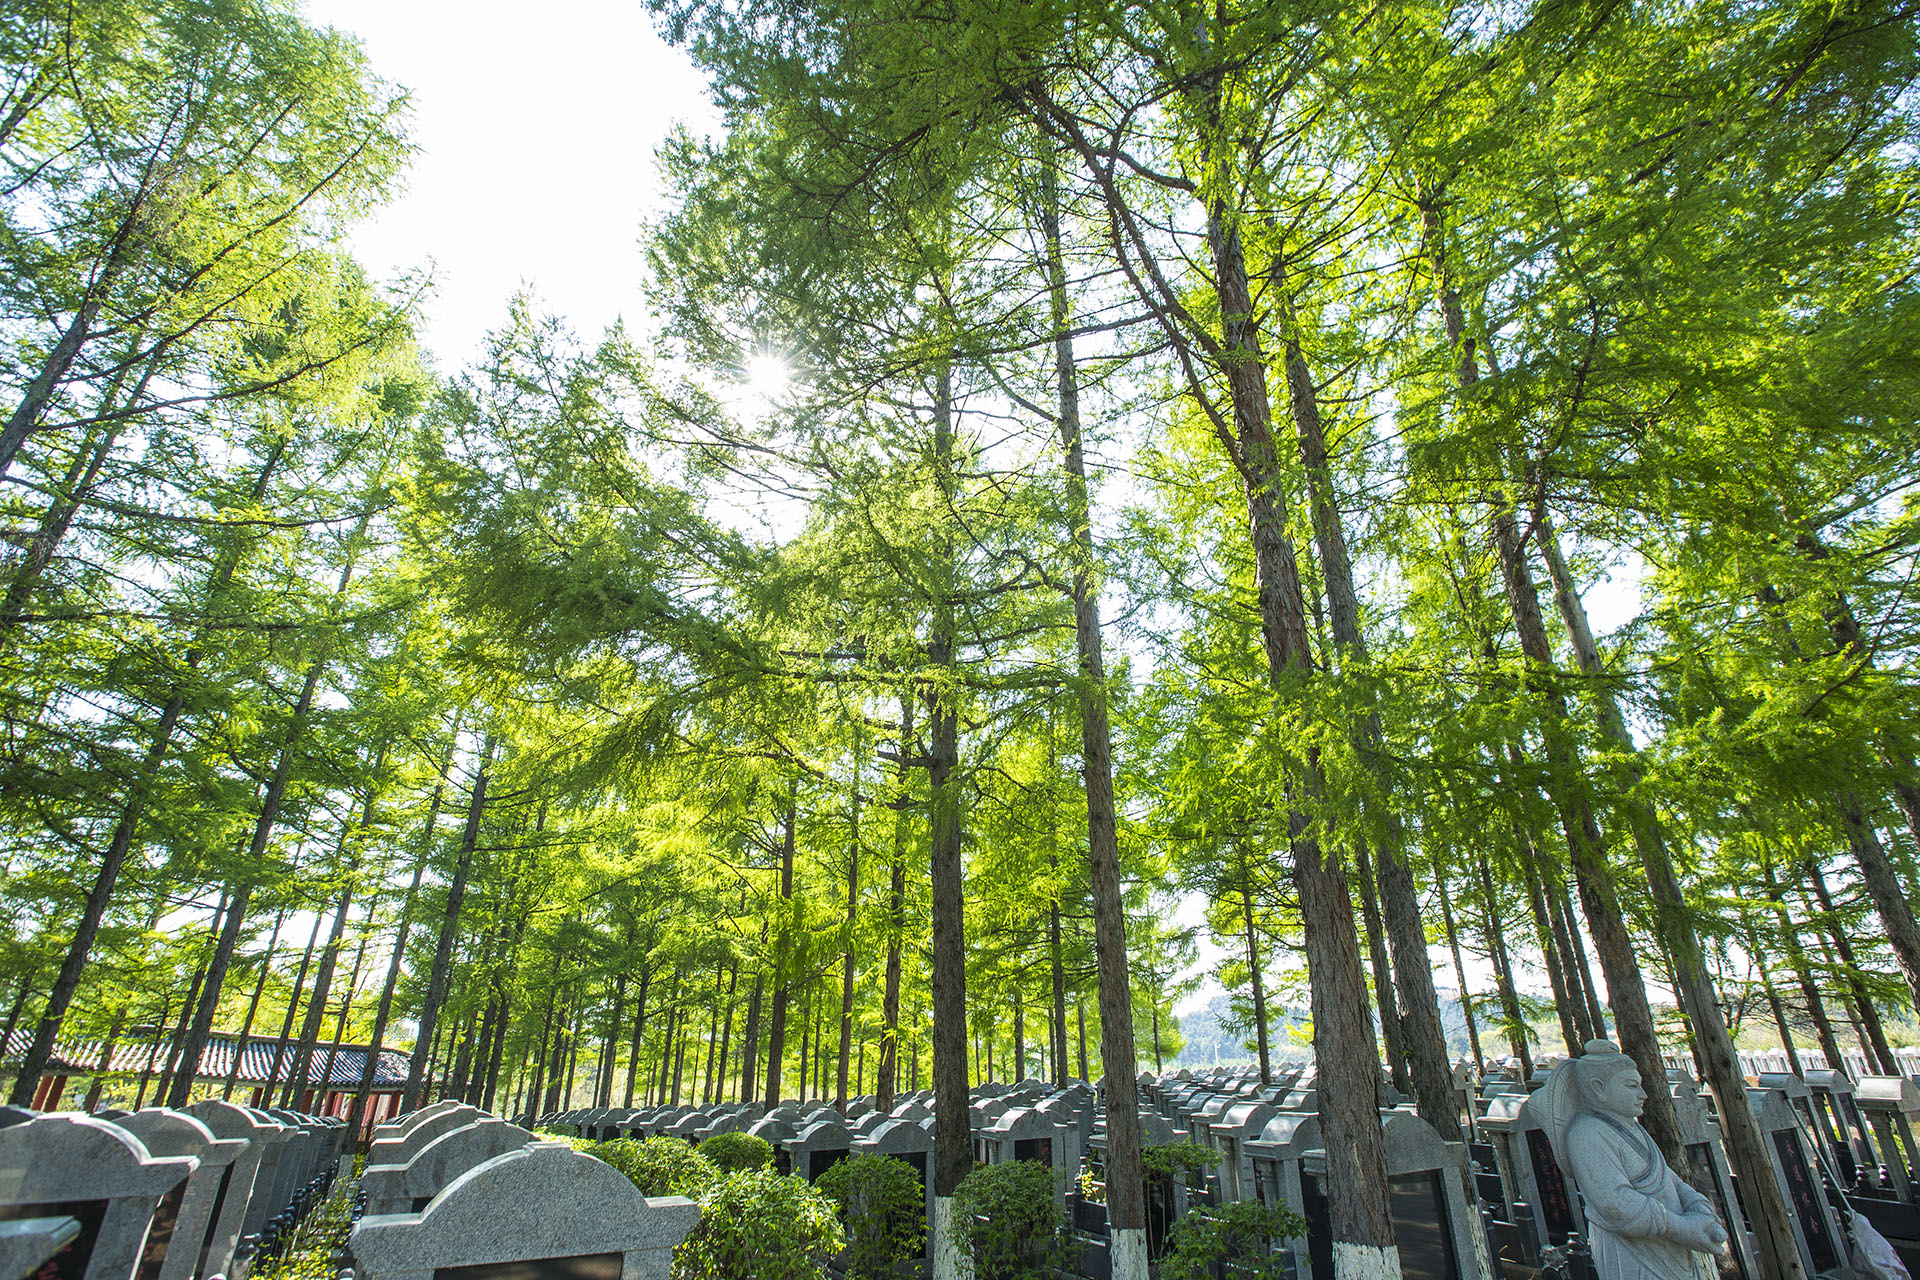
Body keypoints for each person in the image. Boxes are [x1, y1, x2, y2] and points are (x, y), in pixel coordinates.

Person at [1541, 1040, 1728, 1280]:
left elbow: (1668, 1178)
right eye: (1631, 1086)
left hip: (1673, 1249)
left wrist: (1699, 1208)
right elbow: (1616, 1205)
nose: (1643, 1094)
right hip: (1633, 1252)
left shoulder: (1634, 1128)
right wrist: (1682, 1228)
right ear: (1598, 1088)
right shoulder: (1586, 1134)